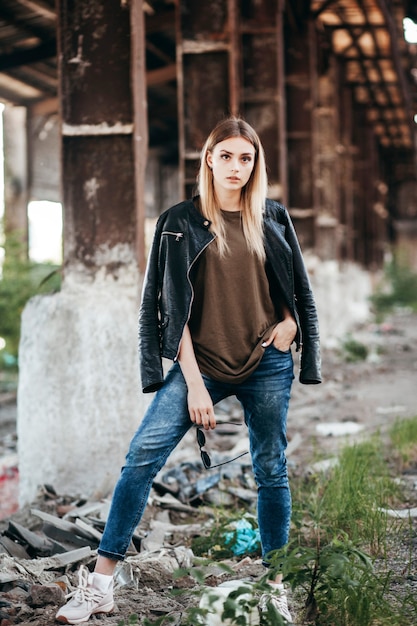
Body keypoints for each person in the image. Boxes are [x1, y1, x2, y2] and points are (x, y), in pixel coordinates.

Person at [56, 117, 321, 625]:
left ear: (255, 164)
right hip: (201, 363)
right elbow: (165, 306)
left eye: (246, 158)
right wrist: (195, 384)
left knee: (270, 469)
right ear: (209, 159)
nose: (236, 167)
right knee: (141, 458)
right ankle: (100, 585)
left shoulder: (273, 217)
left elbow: (294, 287)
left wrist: (290, 325)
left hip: (265, 361)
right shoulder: (179, 221)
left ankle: (276, 585)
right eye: (227, 156)